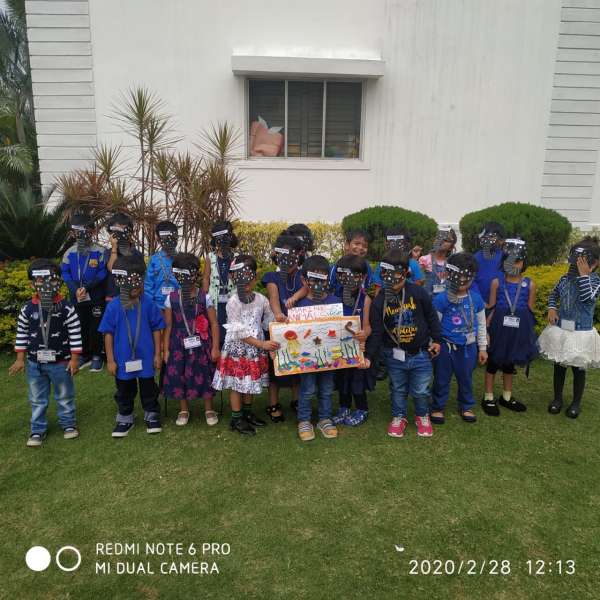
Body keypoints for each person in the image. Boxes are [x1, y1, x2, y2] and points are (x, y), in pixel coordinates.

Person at [365, 250, 441, 438]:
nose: (393, 282)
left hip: (421, 353)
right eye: (388, 277)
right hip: (394, 355)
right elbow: (376, 332)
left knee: (421, 390)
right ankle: (399, 416)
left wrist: (437, 340)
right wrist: (368, 356)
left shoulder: (418, 292)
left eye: (397, 277)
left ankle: (422, 416)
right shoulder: (379, 301)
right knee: (398, 389)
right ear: (383, 275)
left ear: (406, 273)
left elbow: (432, 317)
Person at [9, 259, 82, 446]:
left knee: (64, 395)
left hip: (61, 363)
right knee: (36, 398)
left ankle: (68, 424)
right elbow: (22, 334)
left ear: (58, 281)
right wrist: (20, 359)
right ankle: (37, 429)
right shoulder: (27, 308)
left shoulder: (67, 308)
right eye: (40, 281)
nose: (45, 285)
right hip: (35, 364)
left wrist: (74, 360)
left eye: (50, 280)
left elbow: (75, 334)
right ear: (32, 284)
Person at [99, 255, 165, 437]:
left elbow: (157, 328)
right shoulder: (113, 307)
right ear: (120, 282)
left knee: (149, 387)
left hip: (146, 357)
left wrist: (157, 354)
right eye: (131, 284)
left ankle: (152, 413)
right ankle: (125, 416)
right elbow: (108, 333)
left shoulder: (148, 303)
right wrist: (110, 360)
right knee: (124, 389)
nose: (136, 287)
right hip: (122, 359)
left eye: (139, 283)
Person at [212, 255, 278, 436]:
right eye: (240, 277)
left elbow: (269, 321)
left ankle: (247, 413)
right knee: (237, 383)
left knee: (249, 381)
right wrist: (262, 344)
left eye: (249, 277)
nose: (245, 282)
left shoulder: (261, 300)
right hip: (238, 350)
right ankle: (236, 418)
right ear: (234, 278)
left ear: (255, 277)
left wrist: (279, 327)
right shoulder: (233, 302)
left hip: (255, 350)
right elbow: (238, 332)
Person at [538, 237, 600, 418]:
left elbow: (588, 298)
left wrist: (584, 275)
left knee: (578, 369)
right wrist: (551, 308)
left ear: (594, 263)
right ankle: (557, 399)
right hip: (562, 331)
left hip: (581, 334)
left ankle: (576, 403)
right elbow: (554, 294)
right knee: (559, 366)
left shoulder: (595, 281)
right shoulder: (564, 279)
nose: (575, 265)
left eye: (581, 261)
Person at [162, 253, 220, 427]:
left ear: (196, 274)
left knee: (205, 372)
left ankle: (209, 408)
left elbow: (214, 323)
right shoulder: (171, 298)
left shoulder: (205, 297)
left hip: (202, 343)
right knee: (180, 373)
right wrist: (166, 349)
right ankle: (183, 409)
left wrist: (215, 347)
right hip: (178, 344)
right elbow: (168, 325)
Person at [482, 238, 538, 415]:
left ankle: (506, 396)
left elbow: (530, 310)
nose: (513, 265)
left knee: (510, 363)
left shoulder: (530, 284)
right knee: (493, 362)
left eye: (517, 261)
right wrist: (485, 327)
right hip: (499, 329)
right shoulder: (497, 283)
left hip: (518, 330)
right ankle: (488, 397)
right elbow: (491, 306)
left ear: (524, 263)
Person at [430, 252, 488, 424]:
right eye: (458, 275)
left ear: (472, 277)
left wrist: (482, 348)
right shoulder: (441, 299)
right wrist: (433, 345)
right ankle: (438, 406)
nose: (462, 280)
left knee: (466, 378)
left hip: (468, 347)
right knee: (441, 378)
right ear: (449, 274)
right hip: (445, 348)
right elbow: (434, 326)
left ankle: (466, 405)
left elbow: (481, 325)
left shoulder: (476, 299)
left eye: (466, 276)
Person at [295, 255, 343, 441]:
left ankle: (325, 418)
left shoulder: (335, 302)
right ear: (304, 280)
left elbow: (341, 329)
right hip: (307, 358)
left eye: (322, 279)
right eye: (313, 279)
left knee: (327, 388)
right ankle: (304, 420)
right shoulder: (299, 305)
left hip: (329, 357)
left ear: (328, 279)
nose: (318, 283)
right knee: (307, 389)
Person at [261, 233, 305, 422]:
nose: (287, 260)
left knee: (298, 364)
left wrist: (295, 297)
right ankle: (273, 404)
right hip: (277, 327)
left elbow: (307, 288)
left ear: (299, 255)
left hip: (298, 327)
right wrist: (278, 314)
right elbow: (273, 297)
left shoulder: (302, 275)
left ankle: (296, 401)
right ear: (276, 255)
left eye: (292, 255)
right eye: (283, 255)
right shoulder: (272, 276)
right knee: (275, 368)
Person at [61, 213, 107, 372]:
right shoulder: (69, 252)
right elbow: (65, 272)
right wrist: (75, 289)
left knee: (96, 327)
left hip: (95, 297)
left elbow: (102, 272)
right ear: (72, 233)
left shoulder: (100, 251)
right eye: (77, 231)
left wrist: (86, 288)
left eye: (84, 231)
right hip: (77, 298)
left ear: (92, 232)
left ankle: (97, 356)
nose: (81, 234)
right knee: (80, 325)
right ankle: (83, 355)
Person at [332, 254, 374, 426]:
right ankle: (344, 407)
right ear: (339, 276)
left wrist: (364, 334)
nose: (349, 280)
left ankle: (362, 409)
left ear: (362, 277)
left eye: (354, 276)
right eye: (344, 275)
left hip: (357, 348)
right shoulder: (334, 297)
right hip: (338, 348)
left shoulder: (366, 299)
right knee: (342, 378)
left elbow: (368, 326)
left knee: (357, 380)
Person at [203, 220, 238, 349]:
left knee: (231, 325)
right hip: (215, 298)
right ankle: (216, 349)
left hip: (232, 297)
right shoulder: (210, 257)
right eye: (219, 238)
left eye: (225, 237)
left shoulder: (236, 257)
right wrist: (205, 295)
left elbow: (239, 278)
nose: (222, 241)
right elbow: (206, 277)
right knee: (216, 324)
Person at [104, 212, 143, 302]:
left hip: (131, 298)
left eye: (122, 230)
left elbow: (141, 278)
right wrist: (114, 247)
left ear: (130, 232)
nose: (119, 234)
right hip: (112, 298)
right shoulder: (108, 252)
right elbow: (111, 268)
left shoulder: (136, 254)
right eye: (116, 231)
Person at [144, 220, 180, 310]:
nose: (168, 241)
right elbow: (148, 285)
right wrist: (150, 307)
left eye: (171, 237)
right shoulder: (154, 260)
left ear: (176, 237)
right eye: (164, 238)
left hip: (178, 306)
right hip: (158, 307)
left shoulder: (181, 260)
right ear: (158, 239)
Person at [328, 230, 373, 297]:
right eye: (357, 244)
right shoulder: (335, 267)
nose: (361, 248)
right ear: (347, 245)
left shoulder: (367, 268)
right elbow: (329, 289)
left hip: (360, 302)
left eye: (365, 246)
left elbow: (370, 288)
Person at [418, 225, 457, 298]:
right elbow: (418, 282)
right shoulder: (424, 260)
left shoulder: (452, 263)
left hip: (445, 301)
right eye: (439, 237)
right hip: (428, 300)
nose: (441, 240)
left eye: (446, 240)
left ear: (451, 247)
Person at [474, 222, 505, 307]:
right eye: (484, 236)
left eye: (491, 237)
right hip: (479, 303)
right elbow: (472, 281)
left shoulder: (504, 258)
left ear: (501, 240)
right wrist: (479, 300)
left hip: (500, 303)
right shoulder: (476, 257)